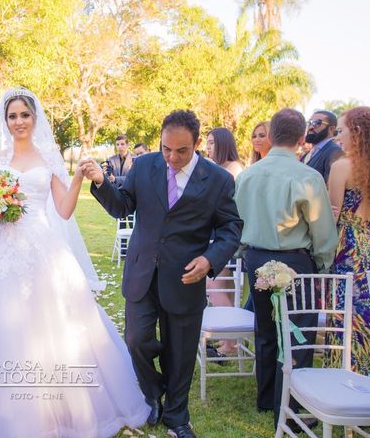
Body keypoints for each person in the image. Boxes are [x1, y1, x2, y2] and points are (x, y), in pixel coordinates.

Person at [0, 88, 149, 437]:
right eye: (12, 116)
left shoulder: (49, 159)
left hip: (40, 248)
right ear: (5, 121)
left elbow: (63, 211)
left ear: (35, 119)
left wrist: (77, 177)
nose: (18, 122)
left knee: (50, 322)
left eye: (24, 115)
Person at [83, 110, 243, 438]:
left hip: (186, 277)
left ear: (198, 144)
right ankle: (153, 392)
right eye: (166, 148)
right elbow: (121, 206)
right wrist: (101, 182)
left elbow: (231, 228)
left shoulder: (218, 180)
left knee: (181, 352)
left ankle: (176, 418)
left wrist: (210, 259)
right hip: (142, 271)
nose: (172, 157)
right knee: (137, 340)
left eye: (181, 151)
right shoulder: (144, 166)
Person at [234, 108, 337, 427]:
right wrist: (321, 263)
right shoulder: (307, 176)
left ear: (273, 135)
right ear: (302, 138)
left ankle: (267, 397)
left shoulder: (247, 175)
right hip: (295, 260)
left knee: (265, 329)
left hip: (255, 257)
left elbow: (237, 221)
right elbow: (322, 232)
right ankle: (290, 406)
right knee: (297, 333)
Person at [325, 106, 370, 375]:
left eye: (340, 130)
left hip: (349, 249)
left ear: (356, 133)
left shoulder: (341, 167)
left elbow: (332, 215)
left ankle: (343, 378)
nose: (337, 137)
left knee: (345, 314)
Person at [205, 126, 244, 355]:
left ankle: (232, 339)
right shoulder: (218, 168)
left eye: (212, 142)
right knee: (223, 288)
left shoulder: (233, 169)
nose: (208, 147)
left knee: (214, 286)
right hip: (214, 231)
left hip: (224, 234)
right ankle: (230, 341)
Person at [301, 110, 344, 184]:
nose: (310, 127)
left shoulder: (335, 152)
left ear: (331, 129)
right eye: (309, 123)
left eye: (316, 123)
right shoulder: (310, 152)